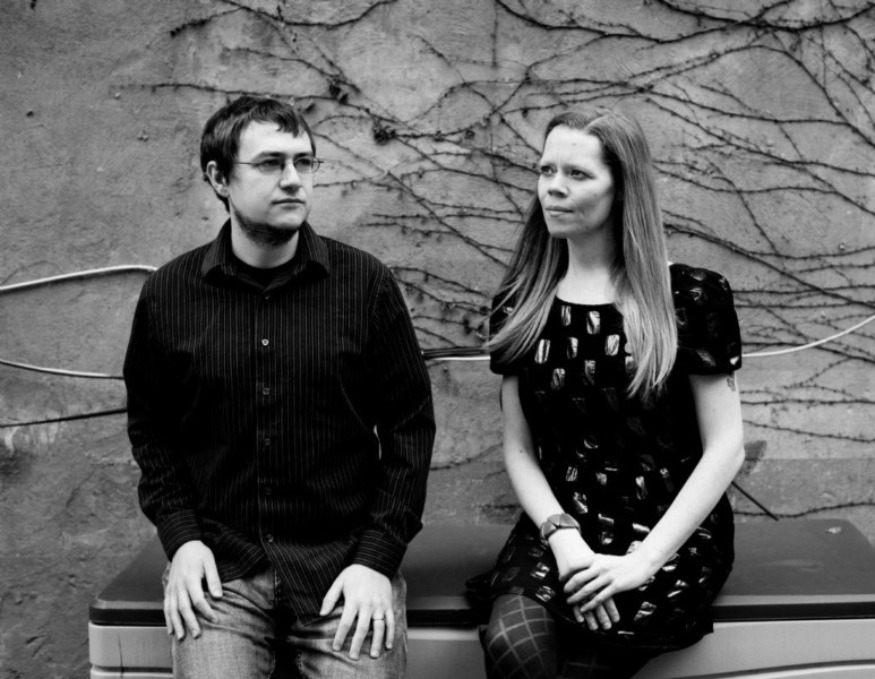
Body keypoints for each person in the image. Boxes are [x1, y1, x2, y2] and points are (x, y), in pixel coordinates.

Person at [123, 95, 435, 679]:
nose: (293, 179)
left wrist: (377, 559)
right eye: (270, 163)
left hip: (344, 568)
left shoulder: (365, 285)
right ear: (219, 178)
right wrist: (183, 541)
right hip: (222, 570)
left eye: (304, 162)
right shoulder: (169, 294)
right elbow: (151, 430)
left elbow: (409, 428)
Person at [480, 107, 745, 678]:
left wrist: (640, 564)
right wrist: (562, 538)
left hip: (667, 530)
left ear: (623, 188)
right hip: (560, 523)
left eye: (577, 174)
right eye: (546, 170)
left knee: (581, 664)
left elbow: (727, 447)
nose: (553, 187)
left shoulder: (689, 297)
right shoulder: (522, 303)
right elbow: (519, 448)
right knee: (511, 644)